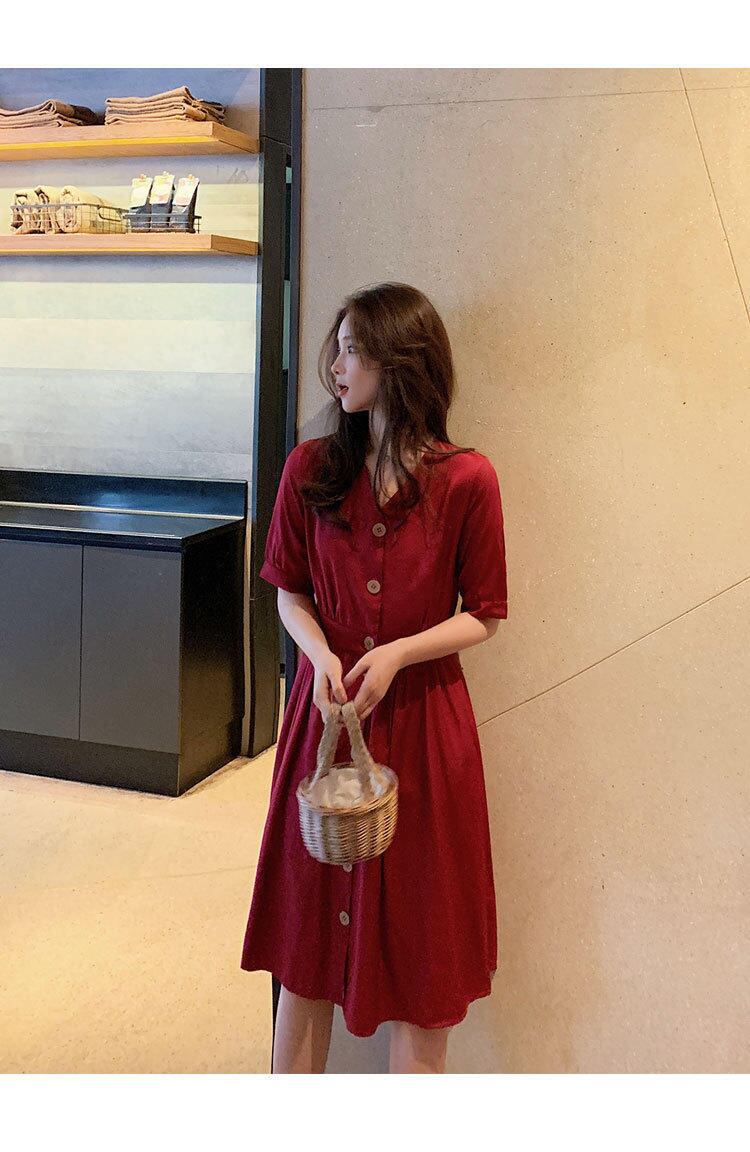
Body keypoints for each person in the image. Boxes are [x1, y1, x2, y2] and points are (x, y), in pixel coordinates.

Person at [240, 281, 508, 1074]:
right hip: (324, 726)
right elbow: (288, 591)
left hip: (424, 731)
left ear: (401, 360)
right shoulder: (311, 468)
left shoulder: (469, 480)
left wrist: (396, 654)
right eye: (338, 347)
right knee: (306, 946)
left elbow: (486, 614)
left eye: (354, 350)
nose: (336, 366)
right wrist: (321, 656)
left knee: (425, 954)